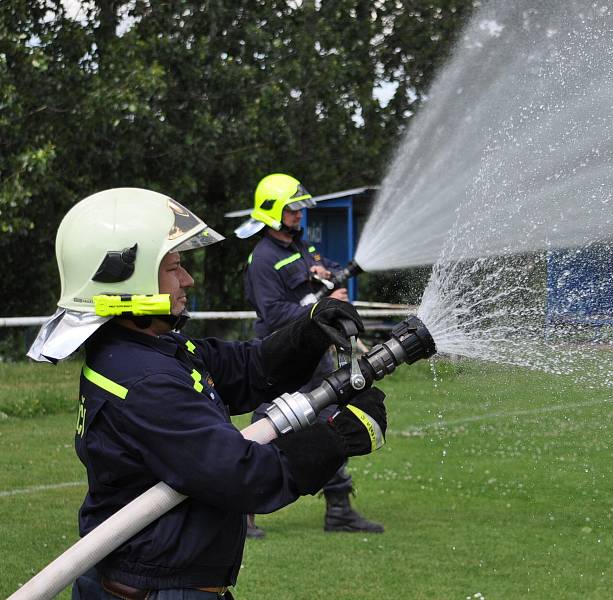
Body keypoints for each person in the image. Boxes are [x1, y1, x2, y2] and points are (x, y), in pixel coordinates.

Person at [28, 188, 387, 599]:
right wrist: (340, 436)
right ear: (125, 277)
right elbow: (241, 474)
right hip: (158, 591)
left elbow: (247, 369)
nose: (188, 280)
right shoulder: (143, 381)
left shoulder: (146, 351)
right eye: (174, 268)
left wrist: (308, 331)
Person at [236, 173, 384, 535]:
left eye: (301, 207)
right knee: (267, 429)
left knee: (331, 423)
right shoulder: (263, 259)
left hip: (315, 355)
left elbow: (319, 279)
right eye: (292, 208)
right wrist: (324, 306)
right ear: (272, 211)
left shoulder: (300, 249)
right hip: (282, 359)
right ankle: (241, 512)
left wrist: (326, 274)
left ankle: (338, 508)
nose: (299, 214)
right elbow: (274, 314)